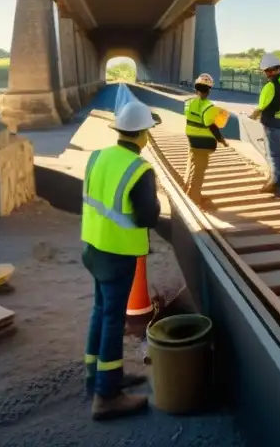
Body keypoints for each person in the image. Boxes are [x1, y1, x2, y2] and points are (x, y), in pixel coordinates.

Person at [81, 99, 162, 421]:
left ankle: (97, 378)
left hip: (92, 247)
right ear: (142, 134)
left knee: (100, 312)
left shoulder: (97, 157)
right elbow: (147, 218)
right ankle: (107, 397)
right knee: (115, 320)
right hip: (118, 254)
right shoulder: (140, 168)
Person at [250, 53, 280, 195]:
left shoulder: (270, 86)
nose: (267, 74)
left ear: (275, 69)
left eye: (268, 71)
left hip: (272, 123)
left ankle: (278, 184)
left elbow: (261, 107)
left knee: (273, 154)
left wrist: (253, 115)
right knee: (278, 153)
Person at [183, 73, 227, 207]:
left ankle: (188, 190)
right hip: (204, 143)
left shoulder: (188, 103)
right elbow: (212, 126)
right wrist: (222, 140)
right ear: (208, 91)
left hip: (192, 139)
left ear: (196, 89)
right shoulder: (210, 107)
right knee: (199, 170)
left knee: (192, 164)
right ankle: (194, 197)